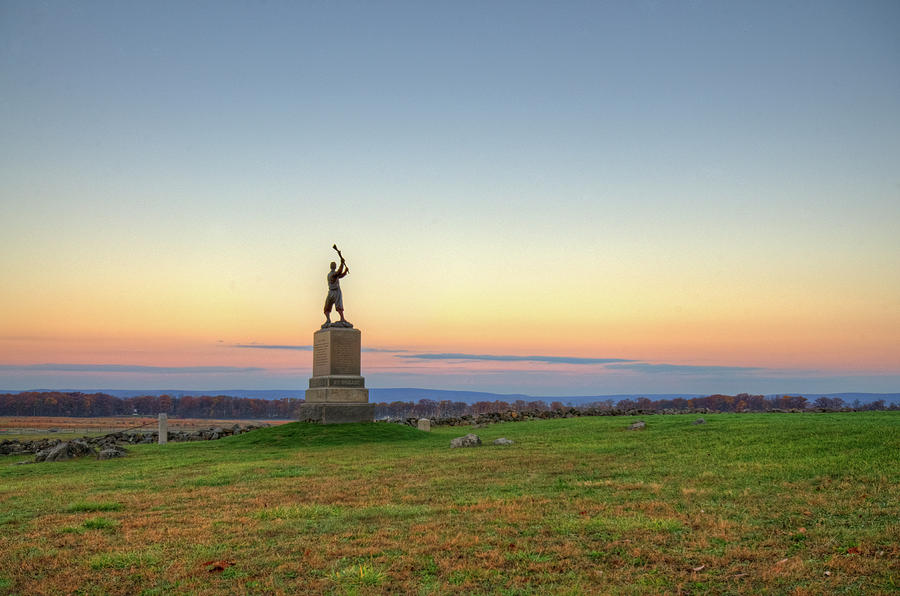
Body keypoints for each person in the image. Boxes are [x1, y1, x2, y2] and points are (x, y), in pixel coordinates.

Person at [323, 257, 349, 326]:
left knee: (339, 306)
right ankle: (328, 319)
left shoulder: (335, 274)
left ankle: (342, 318)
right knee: (327, 307)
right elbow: (338, 273)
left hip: (336, 291)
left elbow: (340, 275)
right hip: (332, 291)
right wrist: (342, 264)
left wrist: (345, 271)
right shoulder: (331, 274)